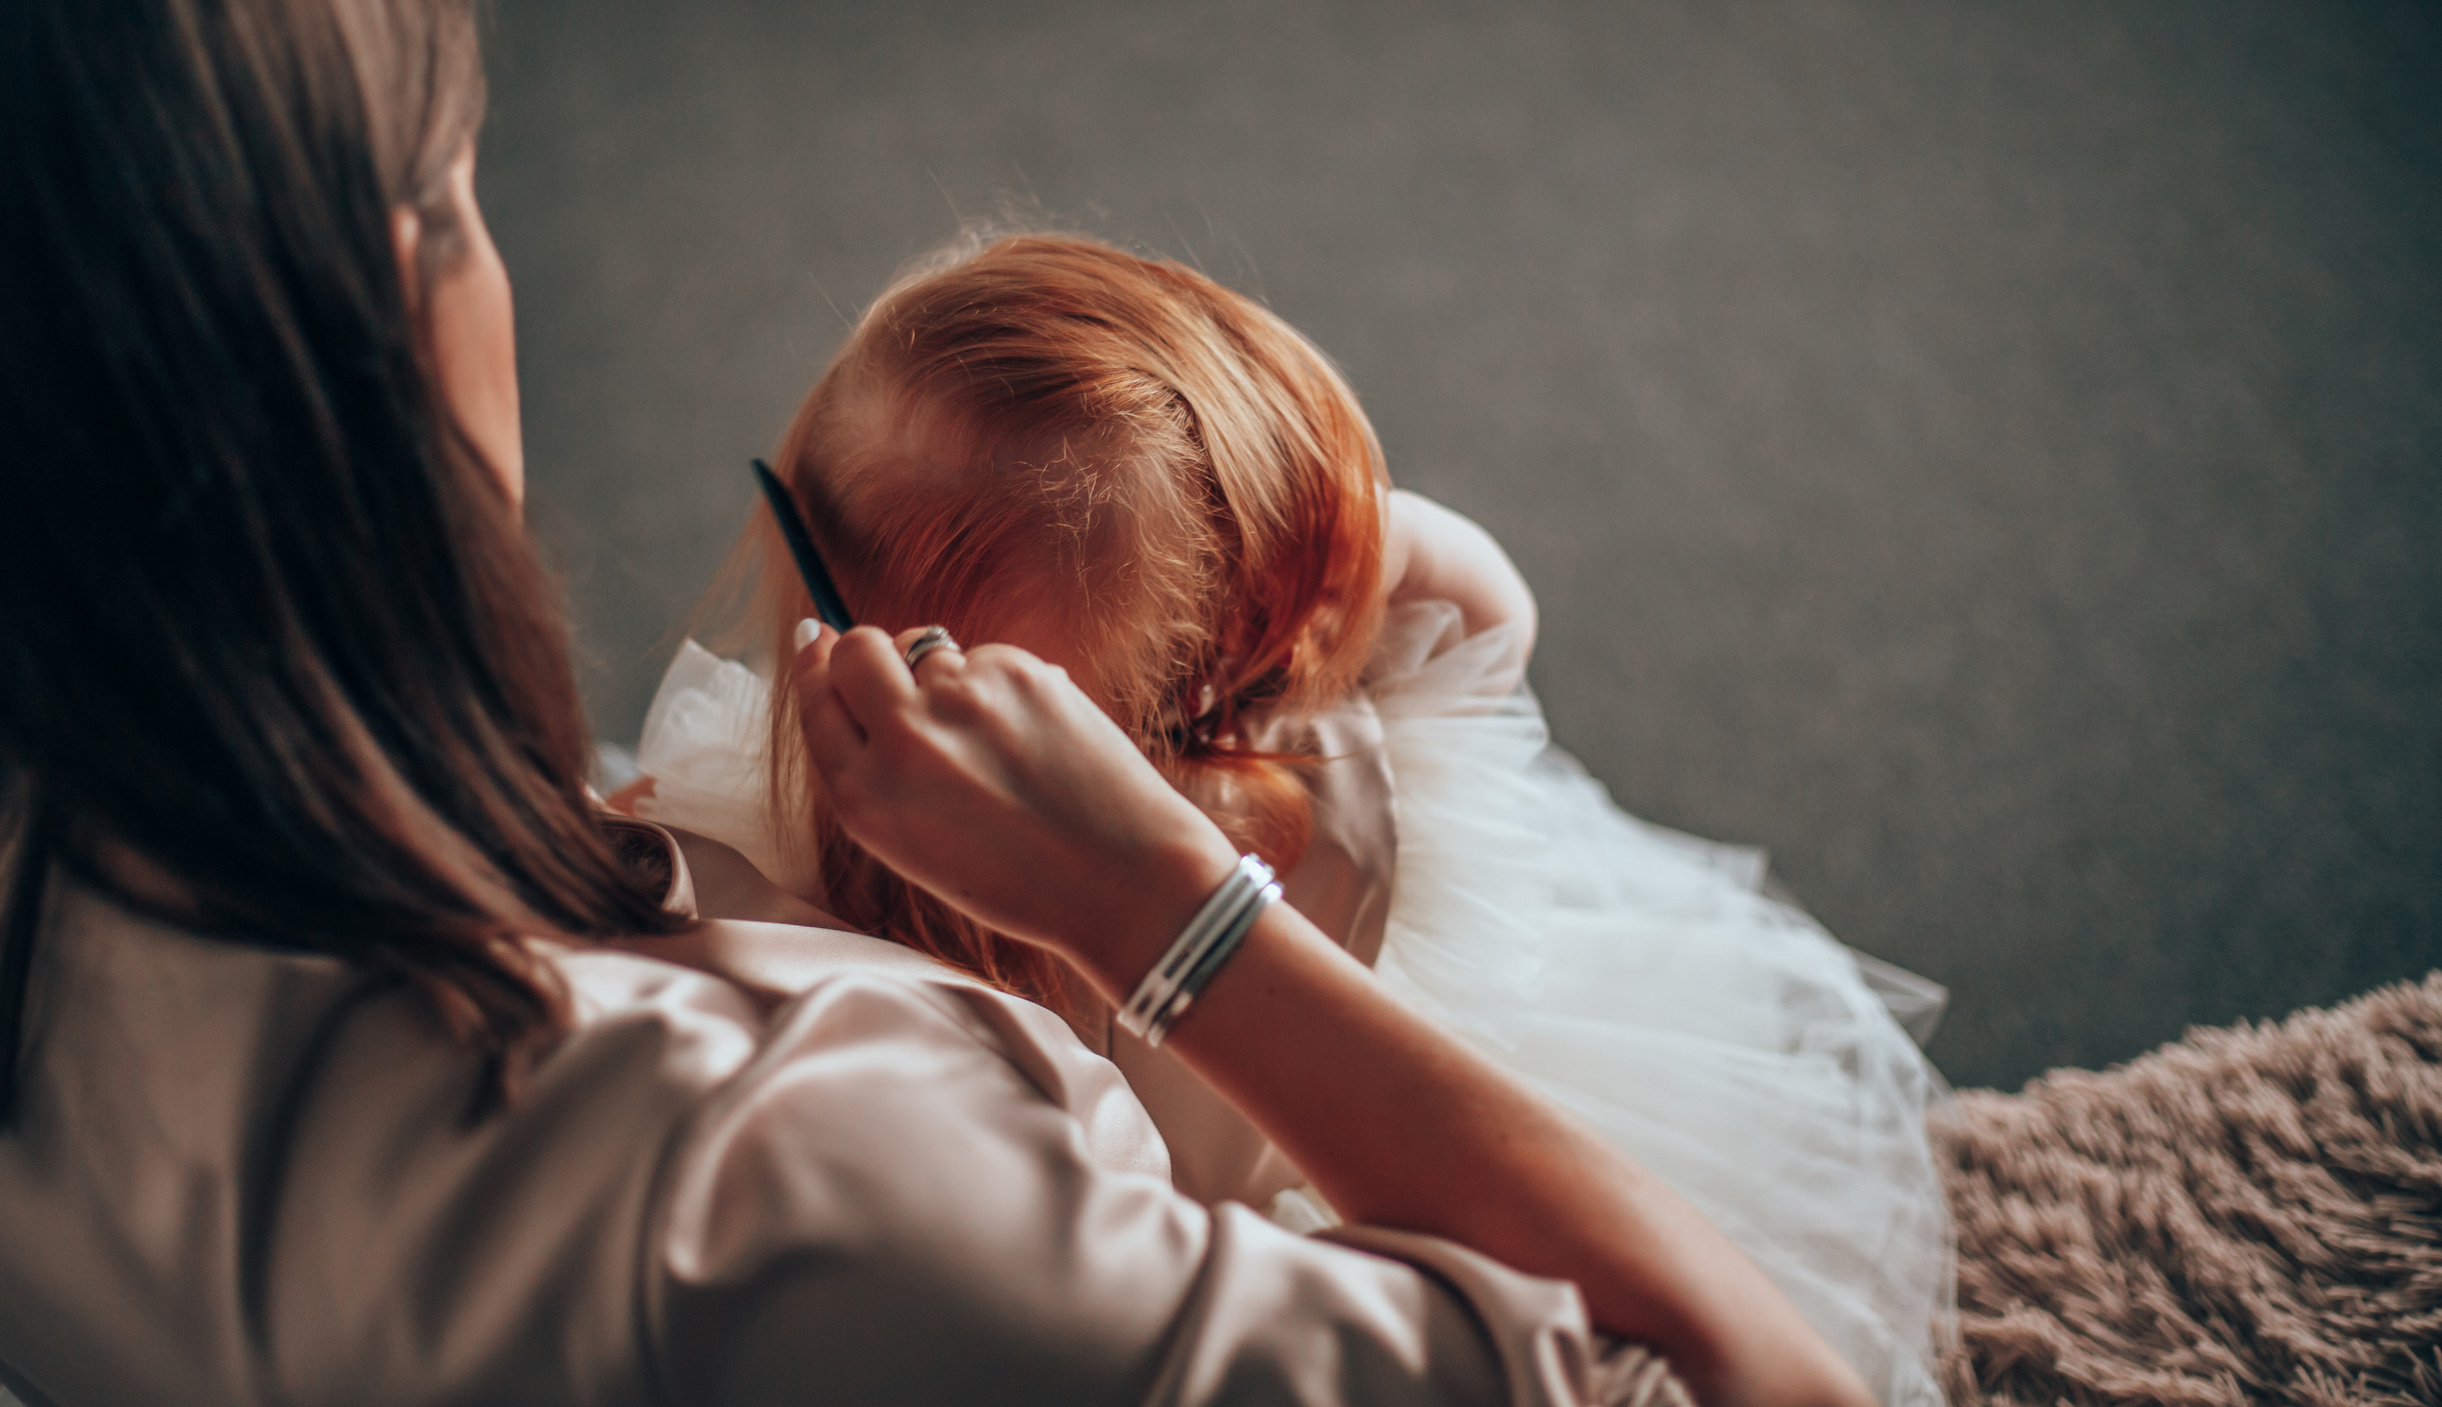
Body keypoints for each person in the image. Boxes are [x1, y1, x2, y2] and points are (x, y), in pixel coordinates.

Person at [0, 0, 1874, 1407]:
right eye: (464, 188)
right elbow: (1757, 1380)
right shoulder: (794, 1164)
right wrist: (1165, 915)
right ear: (402, 314)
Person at [633, 237, 1954, 1404]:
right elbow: (1488, 623)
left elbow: (1482, 624)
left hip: (1278, 1183)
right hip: (1308, 1194)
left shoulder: (808, 855)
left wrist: (1351, 549)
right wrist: (1345, 553)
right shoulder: (1317, 775)